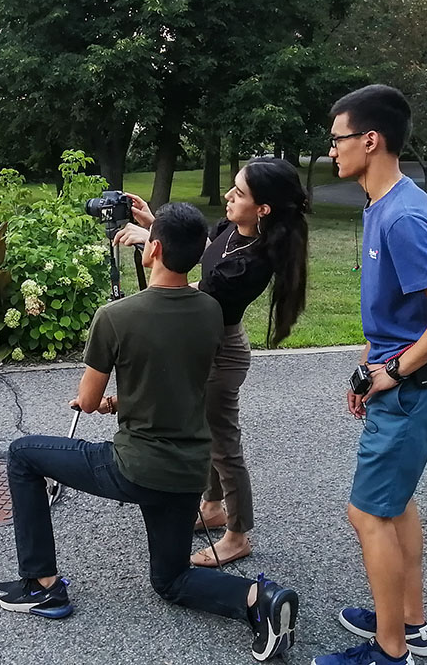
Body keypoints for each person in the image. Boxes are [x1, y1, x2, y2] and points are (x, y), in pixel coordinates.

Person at [0, 203, 299, 662]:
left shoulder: (114, 317)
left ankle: (41, 585)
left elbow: (89, 400)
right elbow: (169, 382)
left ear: (152, 249)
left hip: (135, 467)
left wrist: (99, 403)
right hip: (188, 472)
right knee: (170, 581)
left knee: (23, 455)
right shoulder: (212, 312)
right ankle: (260, 600)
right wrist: (119, 401)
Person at [312, 85, 427, 665]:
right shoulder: (384, 203)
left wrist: (393, 373)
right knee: (396, 502)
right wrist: (366, 368)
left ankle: (391, 650)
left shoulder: (403, 215)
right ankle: (409, 623)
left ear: (370, 140)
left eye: (337, 139)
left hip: (417, 387)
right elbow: (398, 313)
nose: (331, 151)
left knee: (368, 513)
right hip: (404, 380)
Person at [113, 158, 309, 567]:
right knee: (205, 431)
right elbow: (205, 253)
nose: (228, 196)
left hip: (221, 352)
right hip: (205, 342)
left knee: (223, 444)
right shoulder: (232, 229)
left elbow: (189, 287)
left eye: (238, 193)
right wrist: (155, 225)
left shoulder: (252, 262)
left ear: (264, 209)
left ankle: (237, 535)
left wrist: (152, 243)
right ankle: (214, 505)